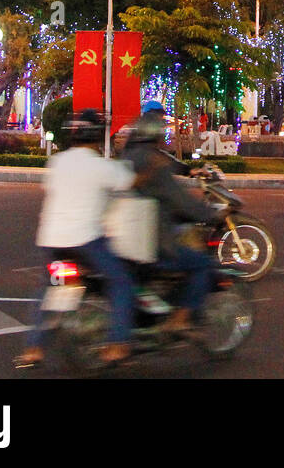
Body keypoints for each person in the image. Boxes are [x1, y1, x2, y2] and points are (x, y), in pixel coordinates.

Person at [14, 110, 135, 368]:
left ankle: (33, 348)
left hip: (52, 241)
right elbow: (129, 183)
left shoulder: (57, 163)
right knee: (122, 281)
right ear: (98, 135)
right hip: (86, 241)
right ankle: (117, 343)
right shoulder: (102, 166)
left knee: (48, 289)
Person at [123, 110, 217, 334]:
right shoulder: (154, 162)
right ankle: (181, 319)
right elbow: (179, 199)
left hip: (121, 241)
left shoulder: (125, 158)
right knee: (202, 264)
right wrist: (208, 214)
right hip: (152, 243)